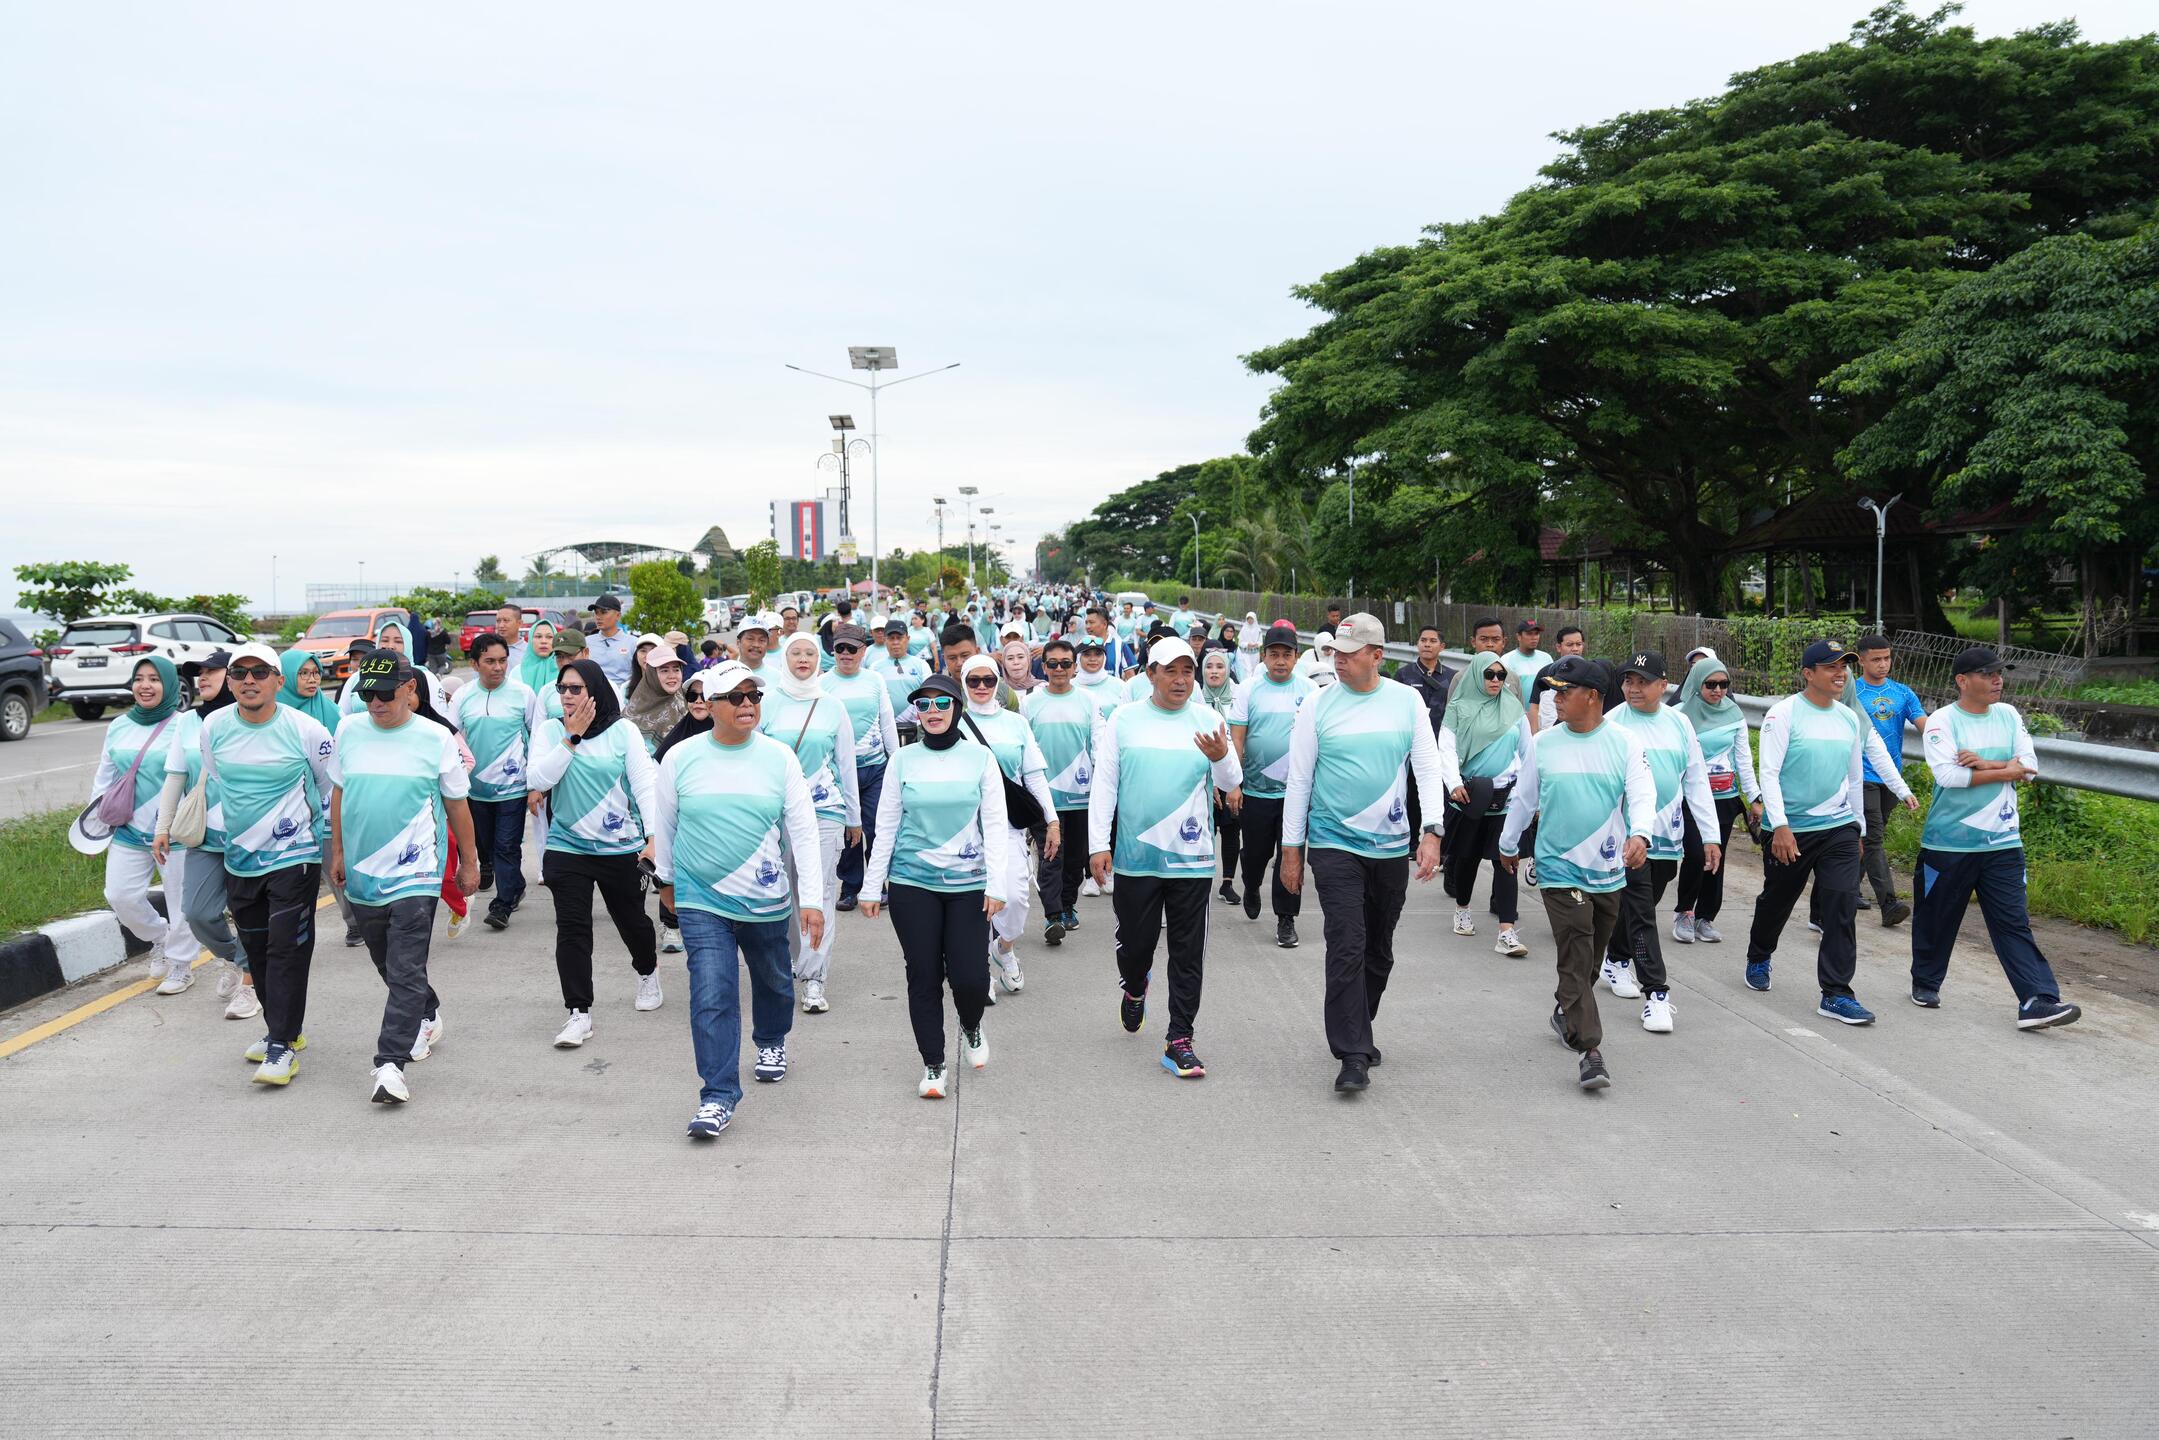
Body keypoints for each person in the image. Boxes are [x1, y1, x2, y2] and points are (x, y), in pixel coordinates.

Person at [1279, 614, 1456, 1093]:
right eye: (1336, 650)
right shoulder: (1317, 706)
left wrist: (1432, 832)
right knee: (1346, 943)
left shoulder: (1406, 701)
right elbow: (1299, 781)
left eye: (1351, 651)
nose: (1339, 658)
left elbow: (1426, 765)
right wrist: (1292, 851)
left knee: (1378, 950)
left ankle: (1360, 1024)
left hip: (1390, 844)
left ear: (1377, 655)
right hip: (1334, 842)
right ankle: (1351, 1051)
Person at [651, 661, 827, 1139]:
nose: (748, 704)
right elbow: (664, 825)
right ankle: (717, 1095)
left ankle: (771, 1039)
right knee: (712, 991)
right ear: (711, 704)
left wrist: (812, 899)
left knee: (773, 977)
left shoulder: (778, 759)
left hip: (765, 898)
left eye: (754, 696)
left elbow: (805, 832)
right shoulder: (681, 757)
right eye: (737, 697)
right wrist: (665, 882)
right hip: (699, 897)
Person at [1497, 656, 1656, 1091]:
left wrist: (1641, 834)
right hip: (1557, 867)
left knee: (1591, 957)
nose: (1557, 699)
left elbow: (1643, 792)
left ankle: (1565, 1007)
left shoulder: (1624, 742)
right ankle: (1589, 1049)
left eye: (1565, 691)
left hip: (1607, 868)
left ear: (1593, 696)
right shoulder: (1543, 744)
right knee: (1576, 951)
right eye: (1554, 691)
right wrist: (1508, 845)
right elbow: (1524, 800)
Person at [1087, 637, 1243, 1079]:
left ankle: (1180, 1039)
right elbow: (1105, 785)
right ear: (1150, 674)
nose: (1180, 680)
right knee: (1136, 949)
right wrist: (1099, 843)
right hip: (1136, 858)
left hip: (1191, 859)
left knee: (1187, 951)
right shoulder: (1125, 719)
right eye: (1170, 671)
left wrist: (1222, 760)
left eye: (1187, 671)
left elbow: (1232, 781)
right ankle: (1135, 988)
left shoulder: (1209, 719)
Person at [328, 654, 477, 1105]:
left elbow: (456, 805)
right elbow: (339, 791)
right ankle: (426, 1010)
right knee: (387, 964)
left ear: (409, 688)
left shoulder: (435, 738)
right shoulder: (348, 731)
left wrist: (468, 863)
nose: (375, 703)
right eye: (367, 694)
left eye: (385, 693)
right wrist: (337, 851)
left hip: (417, 871)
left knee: (406, 964)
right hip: (362, 871)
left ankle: (389, 1064)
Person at [1744, 641, 1917, 1024]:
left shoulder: (1848, 718)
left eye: (1844, 667)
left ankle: (1836, 993)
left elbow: (1855, 777)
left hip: (1837, 826)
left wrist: (1858, 828)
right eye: (1830, 667)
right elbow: (1768, 773)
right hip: (1790, 829)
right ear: (1809, 673)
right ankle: (1759, 955)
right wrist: (1782, 827)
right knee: (1778, 899)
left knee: (1840, 905)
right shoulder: (1784, 714)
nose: (1840, 674)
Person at [1909, 647, 2079, 1029]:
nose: (1997, 680)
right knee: (1937, 919)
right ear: (1962, 681)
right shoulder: (1942, 721)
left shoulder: (2008, 714)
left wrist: (1988, 765)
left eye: (2000, 673)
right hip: (1949, 844)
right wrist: (2008, 769)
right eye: (1987, 674)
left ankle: (2038, 999)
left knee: (2013, 922)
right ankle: (1926, 980)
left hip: (2003, 842)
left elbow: (2031, 767)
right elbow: (1949, 777)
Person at [859, 674, 1010, 1098]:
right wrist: (873, 887)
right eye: (923, 706)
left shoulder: (981, 758)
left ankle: (971, 1024)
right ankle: (933, 1064)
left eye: (942, 704)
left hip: (968, 884)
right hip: (912, 883)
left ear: (957, 707)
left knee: (969, 979)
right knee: (922, 975)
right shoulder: (902, 760)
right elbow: (885, 825)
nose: (932, 713)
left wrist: (997, 885)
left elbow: (996, 826)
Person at [205, 642, 336, 1087]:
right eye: (239, 672)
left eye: (260, 672)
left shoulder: (307, 730)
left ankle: (281, 1045)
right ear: (229, 680)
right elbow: (220, 779)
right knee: (257, 951)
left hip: (294, 856)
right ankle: (285, 1030)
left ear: (279, 681)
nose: (248, 680)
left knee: (286, 948)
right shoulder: (214, 726)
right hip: (240, 859)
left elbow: (325, 785)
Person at [526, 657, 663, 1047]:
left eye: (576, 689)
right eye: (562, 689)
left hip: (621, 848)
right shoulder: (552, 731)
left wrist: (653, 836)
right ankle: (578, 1013)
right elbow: (537, 779)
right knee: (572, 929)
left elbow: (645, 785)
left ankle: (647, 971)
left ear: (595, 692)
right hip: (566, 846)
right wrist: (571, 738)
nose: (567, 697)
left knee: (632, 922)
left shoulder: (624, 732)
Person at [1595, 651, 1718, 1034]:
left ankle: (1615, 959)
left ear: (1663, 686)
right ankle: (1657, 995)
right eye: (1628, 680)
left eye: (1643, 681)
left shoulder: (1680, 724)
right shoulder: (1611, 724)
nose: (1633, 688)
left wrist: (1711, 835)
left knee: (1640, 908)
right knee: (1643, 915)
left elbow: (1696, 780)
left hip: (1669, 837)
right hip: (1628, 841)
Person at [760, 632, 861, 1013]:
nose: (802, 659)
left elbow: (846, 764)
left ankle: (815, 977)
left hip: (824, 811)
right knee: (782, 891)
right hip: (777, 813)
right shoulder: (766, 702)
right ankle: (787, 963)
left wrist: (854, 817)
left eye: (809, 653)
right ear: (784, 658)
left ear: (819, 660)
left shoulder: (832, 705)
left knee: (818, 892)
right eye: (795, 652)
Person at [154, 650, 254, 1017]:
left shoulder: (247, 715)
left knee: (247, 910)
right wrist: (162, 828)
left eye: (213, 671)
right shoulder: (186, 722)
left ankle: (250, 979)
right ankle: (237, 959)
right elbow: (175, 776)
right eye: (199, 673)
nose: (203, 678)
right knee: (197, 912)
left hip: (250, 834)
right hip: (204, 834)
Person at [93, 656, 199, 992]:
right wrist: (94, 823)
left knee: (181, 901)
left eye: (154, 679)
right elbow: (105, 776)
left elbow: (193, 773)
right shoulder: (119, 725)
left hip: (173, 830)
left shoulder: (185, 724)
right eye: (139, 678)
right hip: (127, 828)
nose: (145, 685)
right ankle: (159, 937)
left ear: (169, 685)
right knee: (120, 895)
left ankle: (181, 965)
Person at [958, 654, 1055, 995]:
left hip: (1009, 827)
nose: (981, 686)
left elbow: (1033, 776)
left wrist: (1052, 820)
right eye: (974, 681)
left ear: (997, 682)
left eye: (988, 680)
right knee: (973, 904)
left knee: (1015, 899)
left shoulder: (1016, 724)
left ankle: (1004, 949)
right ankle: (979, 973)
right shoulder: (954, 724)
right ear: (964, 683)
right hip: (965, 829)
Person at [1226, 621, 1315, 947]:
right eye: (1274, 654)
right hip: (1255, 791)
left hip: (1295, 794)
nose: (1280, 660)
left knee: (1290, 854)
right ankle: (1250, 884)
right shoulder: (1248, 688)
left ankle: (1286, 918)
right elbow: (1237, 739)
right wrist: (1233, 783)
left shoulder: (1309, 691)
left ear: (1296, 657)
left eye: (1287, 654)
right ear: (1263, 656)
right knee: (1256, 855)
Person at [1441, 652, 1529, 957]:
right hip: (1470, 796)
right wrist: (1453, 783)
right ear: (1476, 675)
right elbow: (1447, 748)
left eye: (1500, 676)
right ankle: (1462, 908)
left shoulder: (1513, 707)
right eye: (1489, 674)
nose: (1495, 680)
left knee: (1507, 862)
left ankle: (1507, 931)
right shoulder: (1458, 708)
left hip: (1508, 798)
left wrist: (1532, 792)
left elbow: (1527, 751)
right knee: (1466, 859)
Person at [1671, 656, 1760, 945]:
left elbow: (1743, 759)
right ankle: (1684, 911)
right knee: (1696, 855)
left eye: (1724, 685)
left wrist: (1755, 796)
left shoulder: (1734, 713)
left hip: (1724, 797)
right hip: (1690, 798)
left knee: (1715, 858)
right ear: (1697, 683)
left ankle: (1705, 916)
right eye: (1711, 684)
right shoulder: (1681, 715)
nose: (1718, 690)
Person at [454, 633, 537, 932]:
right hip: (474, 791)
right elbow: (450, 741)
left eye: (502, 660)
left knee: (506, 846)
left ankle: (502, 904)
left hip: (512, 787)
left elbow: (537, 737)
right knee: (486, 846)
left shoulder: (524, 694)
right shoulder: (463, 696)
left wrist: (535, 785)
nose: (498, 667)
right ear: (474, 664)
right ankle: (514, 884)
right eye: (490, 661)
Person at [1022, 638, 1100, 945]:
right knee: (1050, 855)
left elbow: (1099, 744)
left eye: (1065, 664)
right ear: (1044, 667)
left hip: (1081, 794)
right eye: (1052, 664)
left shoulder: (1088, 701)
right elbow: (1024, 749)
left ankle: (1068, 906)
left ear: (1074, 667)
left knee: (1074, 858)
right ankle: (1052, 916)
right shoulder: (1030, 703)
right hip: (1045, 795)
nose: (1059, 669)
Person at [1848, 634, 1927, 924]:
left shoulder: (1903, 693)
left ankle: (1849, 888)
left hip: (1890, 777)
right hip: (1862, 774)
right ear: (1861, 661)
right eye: (1876, 659)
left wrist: (1946, 741)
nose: (1883, 664)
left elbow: (1924, 725)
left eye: (1887, 658)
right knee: (1873, 837)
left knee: (1868, 837)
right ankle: (1889, 904)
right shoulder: (1851, 692)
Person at [827, 624, 901, 912]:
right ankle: (850, 886)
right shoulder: (823, 684)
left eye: (852, 649)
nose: (846, 654)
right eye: (840, 648)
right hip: (839, 773)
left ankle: (876, 882)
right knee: (849, 831)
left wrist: (895, 760)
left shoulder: (875, 680)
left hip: (875, 768)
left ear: (863, 650)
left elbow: (887, 720)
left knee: (875, 827)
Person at [1198, 649, 1243, 906]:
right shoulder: (1194, 702)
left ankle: (1227, 883)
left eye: (1220, 667)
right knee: (1204, 830)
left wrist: (1235, 781)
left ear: (1228, 671)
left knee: (1230, 828)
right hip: (1204, 779)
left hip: (1233, 776)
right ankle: (1201, 881)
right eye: (1209, 667)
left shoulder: (1236, 701)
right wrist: (1210, 781)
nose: (1214, 671)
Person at [869, 618, 933, 747]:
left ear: (908, 639)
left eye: (899, 637)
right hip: (886, 730)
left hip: (916, 729)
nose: (895, 642)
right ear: (885, 640)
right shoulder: (875, 668)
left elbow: (929, 697)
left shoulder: (922, 665)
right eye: (891, 638)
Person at [624, 643, 690, 755]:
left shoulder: (689, 698)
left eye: (676, 669)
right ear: (651, 674)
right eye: (664, 670)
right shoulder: (636, 711)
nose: (672, 675)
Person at [1395, 624, 1452, 727]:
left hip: (1441, 736)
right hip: (1412, 734)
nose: (1427, 644)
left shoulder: (1451, 676)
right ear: (1418, 643)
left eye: (1433, 641)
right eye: (1423, 640)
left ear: (1442, 646)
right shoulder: (1403, 674)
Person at [585, 594, 636, 693]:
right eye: (596, 613)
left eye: (604, 612)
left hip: (624, 698)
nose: (598, 617)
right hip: (594, 697)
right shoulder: (586, 642)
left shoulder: (633, 643)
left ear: (618, 615)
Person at [1499, 619, 1551, 709]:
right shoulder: (1506, 660)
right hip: (1518, 715)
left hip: (1542, 715)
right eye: (1529, 633)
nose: (1534, 637)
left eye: (1536, 633)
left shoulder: (1547, 658)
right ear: (1518, 636)